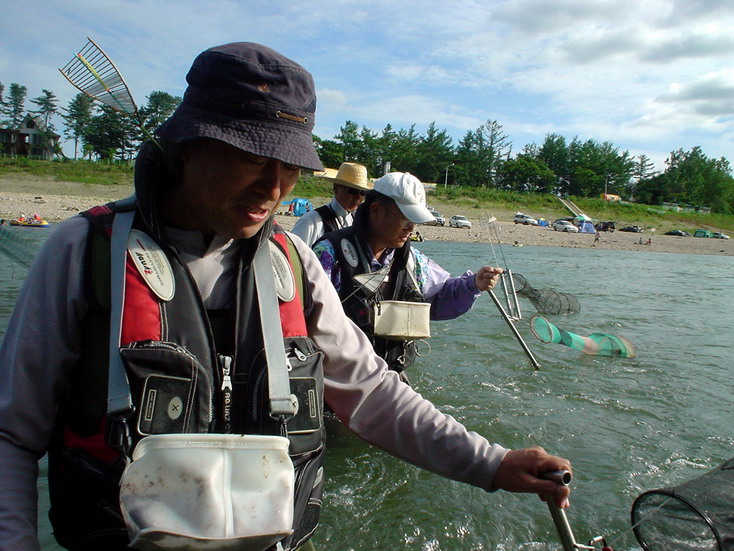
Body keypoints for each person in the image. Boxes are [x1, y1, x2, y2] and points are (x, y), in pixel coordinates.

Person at [0, 42, 570, 551]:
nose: (273, 189)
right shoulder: (82, 251)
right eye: (251, 157)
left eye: (290, 165)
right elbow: (11, 436)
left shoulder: (291, 263)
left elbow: (373, 395)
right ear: (186, 146)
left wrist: (491, 463)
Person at [312, 172, 503, 376]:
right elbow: (307, 319)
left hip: (388, 375)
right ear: (376, 210)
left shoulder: (410, 259)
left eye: (415, 221)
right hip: (336, 378)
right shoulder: (328, 253)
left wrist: (473, 284)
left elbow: (438, 295)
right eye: (405, 219)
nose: (411, 229)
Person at [291, 161, 372, 246]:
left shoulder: (357, 222)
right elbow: (292, 256)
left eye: (363, 192)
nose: (358, 197)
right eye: (352, 191)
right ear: (336, 188)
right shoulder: (310, 222)